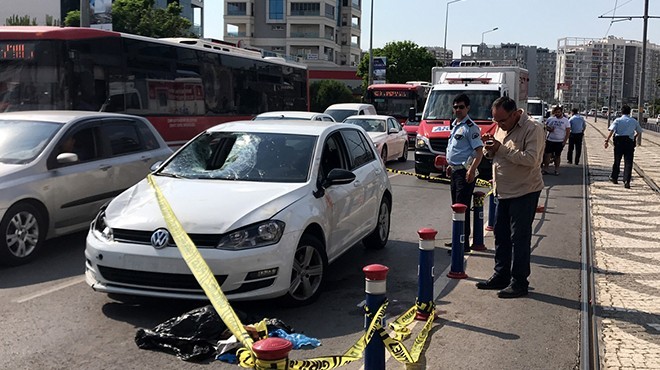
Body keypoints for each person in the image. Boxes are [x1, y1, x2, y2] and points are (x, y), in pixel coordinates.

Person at [476, 96, 545, 298]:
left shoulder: (533, 129)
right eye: (496, 120)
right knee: (501, 235)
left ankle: (519, 282)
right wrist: (490, 151)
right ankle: (501, 275)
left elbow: (531, 160)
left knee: (519, 238)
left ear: (515, 114)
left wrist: (501, 149)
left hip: (524, 190)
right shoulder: (501, 126)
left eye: (503, 120)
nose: (499, 125)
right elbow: (498, 154)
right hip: (503, 191)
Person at [443, 94, 483, 253]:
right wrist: (450, 165)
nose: (458, 109)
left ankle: (463, 243)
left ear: (468, 108)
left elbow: (479, 152)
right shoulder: (455, 125)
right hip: (455, 171)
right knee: (456, 208)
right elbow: (455, 150)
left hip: (464, 174)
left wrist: (472, 170)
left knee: (461, 209)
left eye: (461, 107)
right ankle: (457, 239)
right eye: (455, 107)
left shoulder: (470, 127)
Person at [604, 105, 643, 189]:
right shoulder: (634, 121)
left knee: (617, 161)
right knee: (628, 162)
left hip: (619, 142)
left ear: (621, 112)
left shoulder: (618, 120)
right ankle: (626, 181)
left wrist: (607, 140)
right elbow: (639, 131)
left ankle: (614, 177)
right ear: (629, 112)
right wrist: (634, 138)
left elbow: (612, 131)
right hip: (629, 142)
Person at [542, 106, 570, 175]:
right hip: (550, 140)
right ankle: (546, 168)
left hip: (559, 141)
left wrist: (565, 141)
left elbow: (568, 131)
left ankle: (556, 169)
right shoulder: (551, 119)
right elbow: (545, 127)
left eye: (559, 112)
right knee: (547, 154)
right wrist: (550, 129)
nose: (557, 113)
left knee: (557, 155)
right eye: (556, 112)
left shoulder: (565, 120)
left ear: (561, 112)